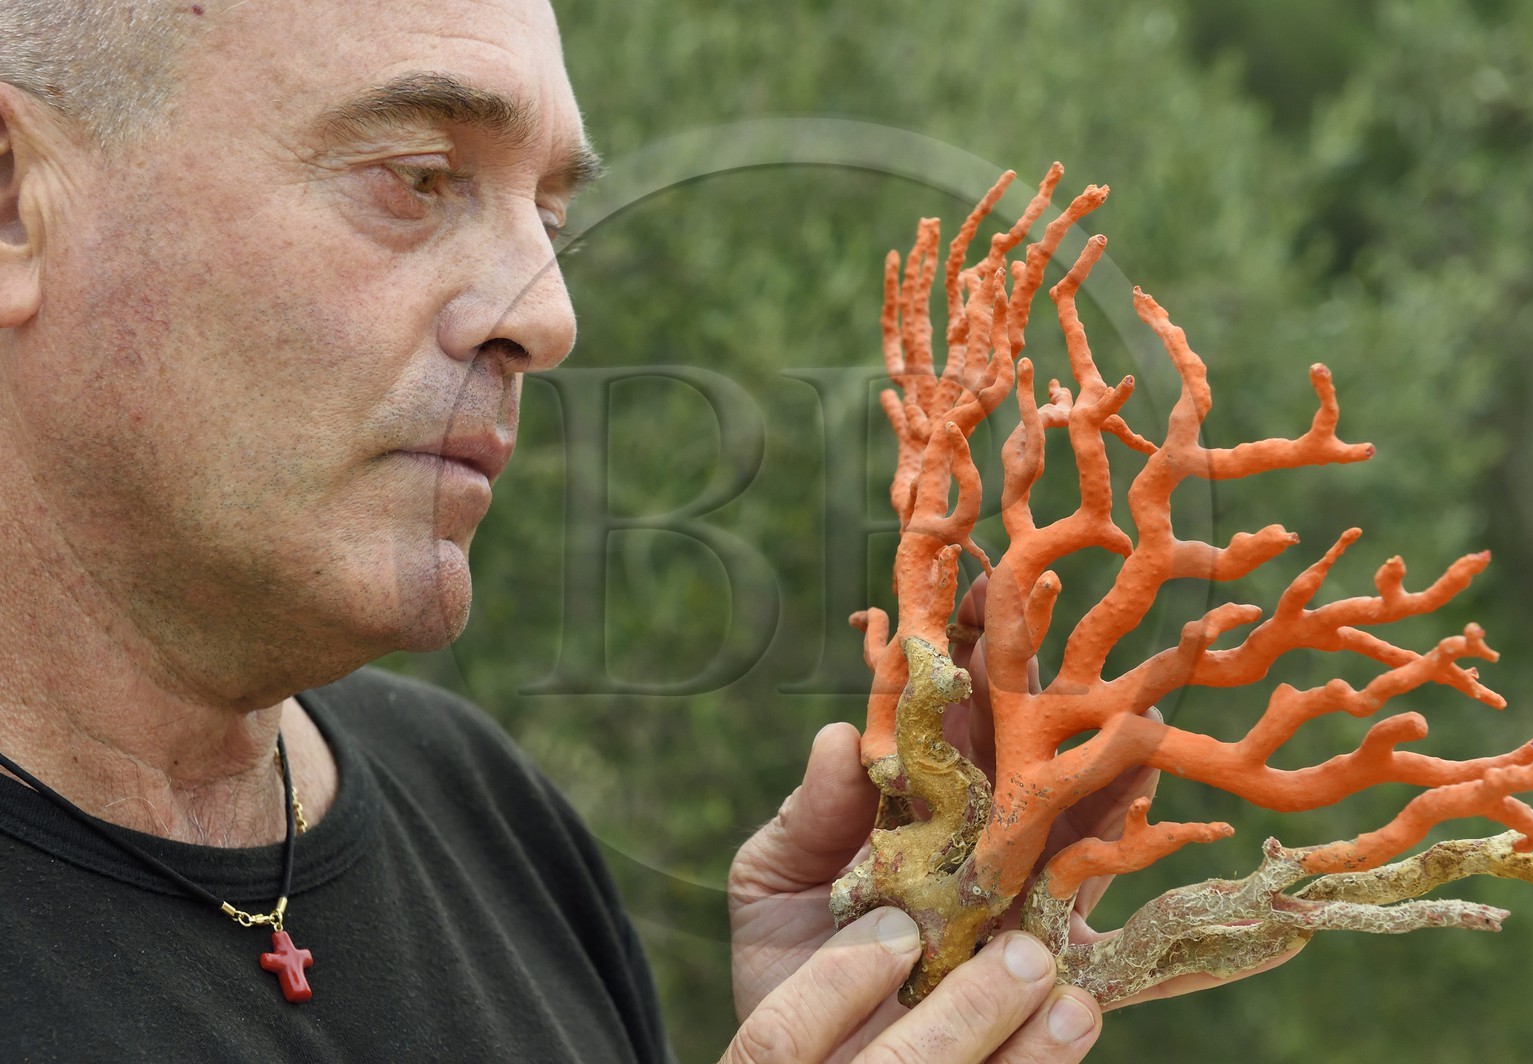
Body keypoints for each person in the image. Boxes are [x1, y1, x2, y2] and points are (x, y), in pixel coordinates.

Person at [0, 2, 1237, 1059]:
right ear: (15, 197)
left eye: (548, 215)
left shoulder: (488, 816)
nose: (549, 317)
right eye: (418, 177)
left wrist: (863, 1005)